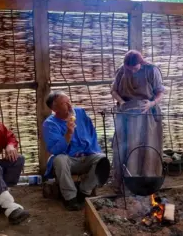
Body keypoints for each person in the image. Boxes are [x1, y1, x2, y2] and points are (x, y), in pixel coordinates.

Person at [43, 91, 109, 211]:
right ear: (54, 108)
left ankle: (84, 192)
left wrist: (93, 151)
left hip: (87, 156)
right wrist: (68, 133)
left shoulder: (80, 113)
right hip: (69, 160)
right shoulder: (50, 124)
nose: (69, 105)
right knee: (59, 160)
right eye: (64, 103)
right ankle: (70, 198)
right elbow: (55, 150)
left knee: (102, 159)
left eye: (69, 101)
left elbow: (92, 134)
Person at [111, 50, 165, 190]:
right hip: (126, 114)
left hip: (147, 115)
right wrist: (121, 102)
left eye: (135, 69)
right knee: (125, 147)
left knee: (147, 147)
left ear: (141, 63)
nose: (132, 72)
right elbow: (114, 91)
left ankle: (146, 179)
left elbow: (160, 92)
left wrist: (151, 103)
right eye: (129, 69)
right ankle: (125, 181)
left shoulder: (152, 70)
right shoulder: (122, 71)